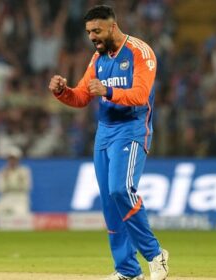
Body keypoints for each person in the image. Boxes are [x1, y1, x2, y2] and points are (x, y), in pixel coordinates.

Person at [49, 5, 168, 280]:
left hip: (131, 130)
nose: (92, 37)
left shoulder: (140, 52)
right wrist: (62, 91)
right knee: (109, 204)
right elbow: (81, 96)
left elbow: (140, 95)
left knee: (120, 190)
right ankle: (128, 271)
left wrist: (108, 90)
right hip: (105, 134)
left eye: (97, 31)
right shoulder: (98, 58)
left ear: (113, 26)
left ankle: (155, 253)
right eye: (89, 32)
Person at [0, 146, 32, 216]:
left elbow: (27, 187)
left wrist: (11, 184)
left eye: (14, 159)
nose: (12, 161)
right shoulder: (2, 171)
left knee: (21, 216)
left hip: (20, 198)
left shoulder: (24, 171)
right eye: (10, 159)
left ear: (18, 159)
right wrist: (13, 182)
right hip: (6, 197)